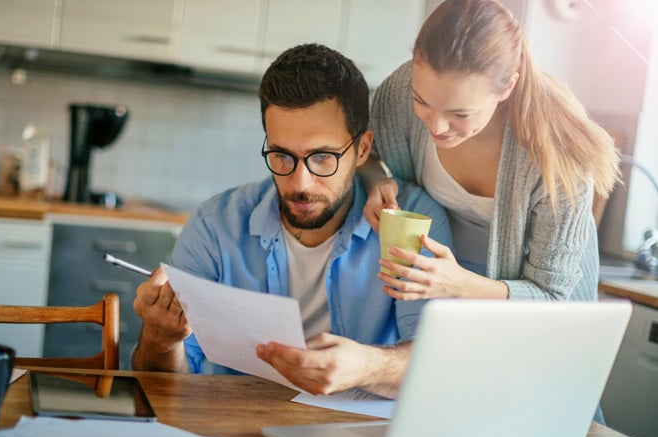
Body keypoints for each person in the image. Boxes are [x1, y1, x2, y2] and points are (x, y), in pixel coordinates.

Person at [131, 43, 452, 398]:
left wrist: (366, 367)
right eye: (282, 156)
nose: (300, 183)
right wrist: (160, 340)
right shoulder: (215, 225)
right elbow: (166, 385)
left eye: (322, 157)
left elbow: (438, 363)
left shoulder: (411, 223)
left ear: (362, 149)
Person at [362, 0, 620, 303]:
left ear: (507, 88)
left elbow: (551, 295)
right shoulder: (400, 91)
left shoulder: (556, 156)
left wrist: (459, 284)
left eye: (460, 114)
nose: (437, 126)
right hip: (442, 287)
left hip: (537, 311)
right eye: (422, 101)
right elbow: (365, 153)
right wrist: (377, 180)